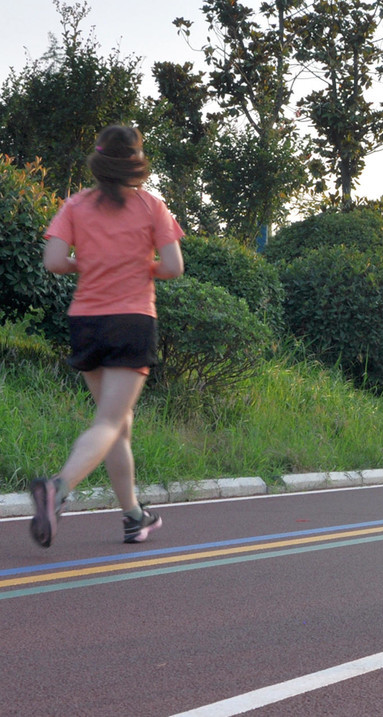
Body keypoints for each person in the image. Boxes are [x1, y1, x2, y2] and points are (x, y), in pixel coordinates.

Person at [31, 124, 184, 548]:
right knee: (110, 421)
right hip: (132, 318)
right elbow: (172, 267)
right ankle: (56, 490)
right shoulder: (152, 205)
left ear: (98, 161)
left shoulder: (76, 205)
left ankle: (134, 517)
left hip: (87, 321)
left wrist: (91, 263)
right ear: (136, 162)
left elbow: (54, 260)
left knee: (119, 425)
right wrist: (137, 267)